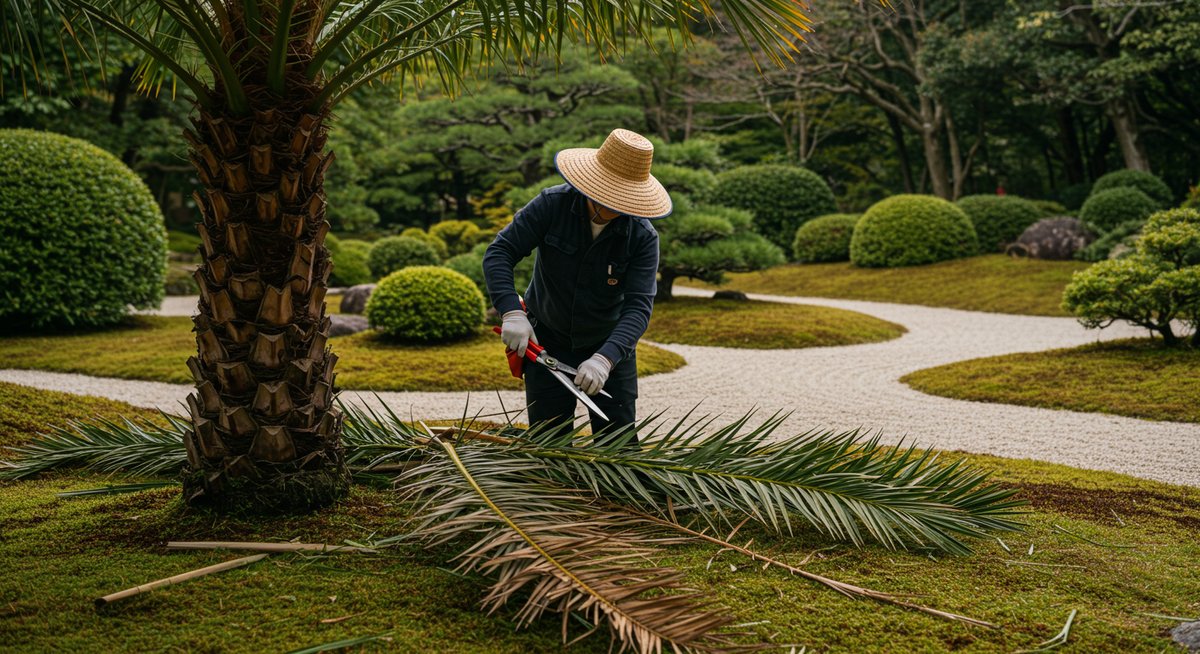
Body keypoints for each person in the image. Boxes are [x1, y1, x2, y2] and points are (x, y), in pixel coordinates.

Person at [483, 128, 671, 440]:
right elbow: (500, 252)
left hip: (609, 344)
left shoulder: (642, 236)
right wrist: (510, 312)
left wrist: (605, 359)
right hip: (547, 338)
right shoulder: (551, 205)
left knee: (619, 448)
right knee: (549, 444)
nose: (617, 205)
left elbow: (638, 307)